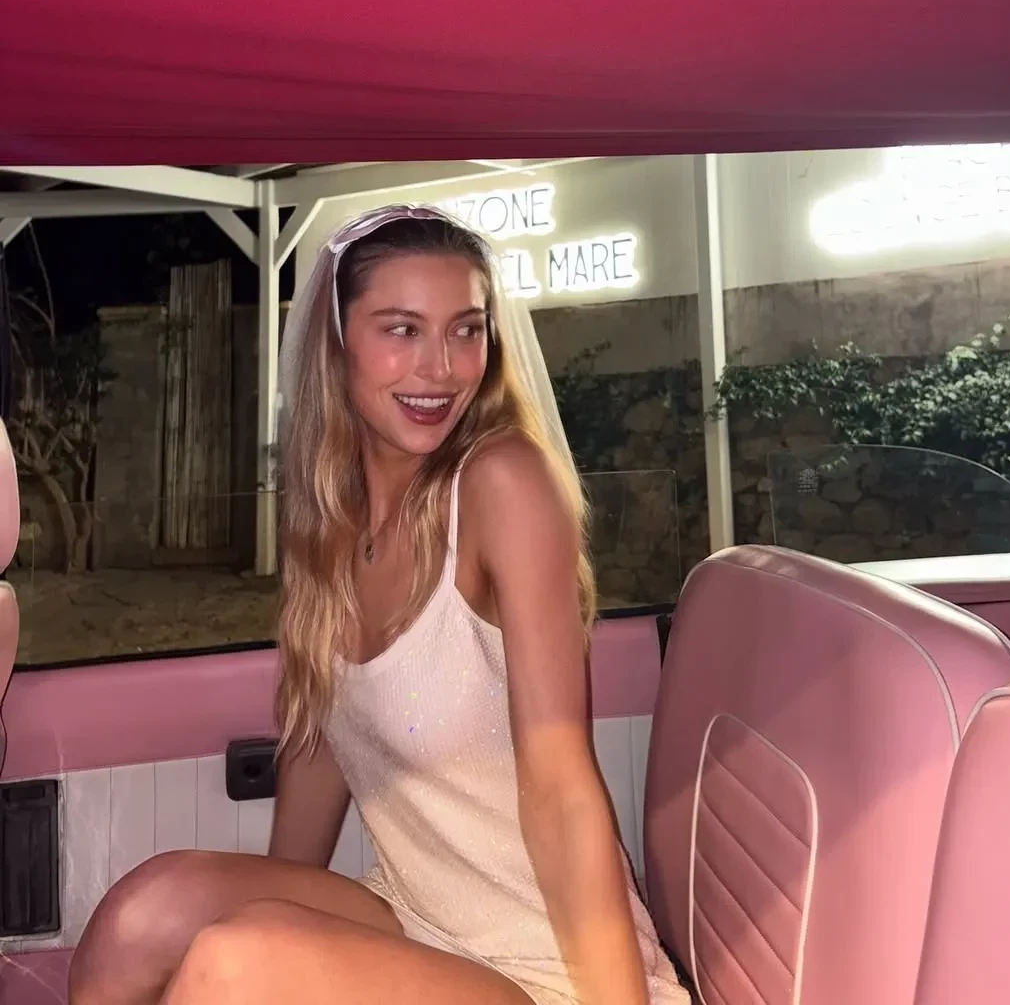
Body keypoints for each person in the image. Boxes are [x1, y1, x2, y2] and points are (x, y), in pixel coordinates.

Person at [69, 205, 691, 1005]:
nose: (442, 368)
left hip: (545, 965)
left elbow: (562, 784)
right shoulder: (331, 518)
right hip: (414, 920)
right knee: (142, 913)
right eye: (402, 329)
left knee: (233, 963)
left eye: (466, 330)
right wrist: (283, 915)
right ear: (338, 343)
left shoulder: (503, 483)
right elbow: (323, 740)